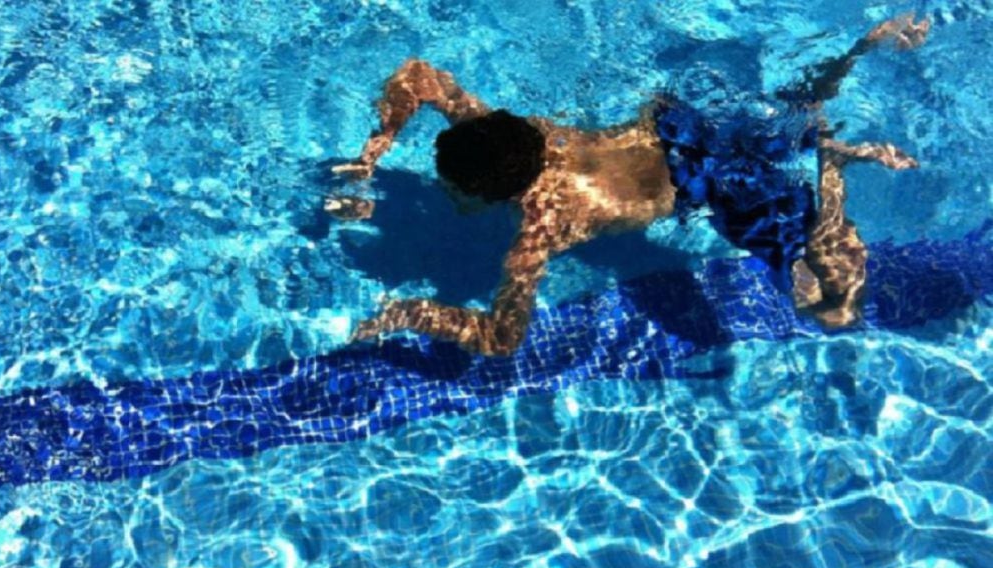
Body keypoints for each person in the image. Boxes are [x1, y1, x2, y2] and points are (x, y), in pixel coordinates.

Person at [327, 14, 930, 356]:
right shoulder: (520, 136)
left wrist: (411, 312)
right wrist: (374, 154)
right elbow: (418, 76)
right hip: (676, 122)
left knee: (831, 308)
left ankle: (835, 167)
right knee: (790, 112)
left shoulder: (538, 232)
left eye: (454, 188)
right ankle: (860, 51)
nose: (447, 192)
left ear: (495, 196)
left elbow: (503, 338)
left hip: (713, 186)